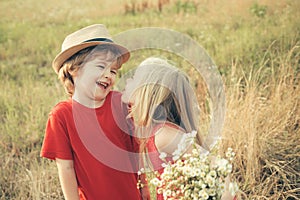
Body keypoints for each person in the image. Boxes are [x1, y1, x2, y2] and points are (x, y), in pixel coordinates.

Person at [40, 24, 146, 200]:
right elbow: (66, 168)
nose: (109, 75)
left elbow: (137, 153)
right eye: (100, 67)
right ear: (74, 70)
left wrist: (144, 188)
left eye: (113, 71)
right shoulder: (62, 116)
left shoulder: (120, 103)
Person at [122, 57, 236, 200]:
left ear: (146, 92)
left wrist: (226, 195)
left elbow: (217, 164)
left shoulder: (164, 135)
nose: (127, 81)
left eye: (133, 79)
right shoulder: (151, 131)